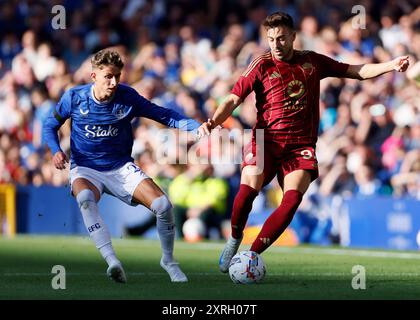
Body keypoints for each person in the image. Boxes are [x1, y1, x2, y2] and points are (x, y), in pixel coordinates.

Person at [196, 12, 410, 273]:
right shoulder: (260, 65)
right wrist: (214, 121)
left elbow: (356, 71)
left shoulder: (312, 62)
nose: (276, 44)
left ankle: (250, 256)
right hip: (265, 140)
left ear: (293, 37)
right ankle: (234, 237)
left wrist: (390, 64)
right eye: (271, 39)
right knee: (247, 191)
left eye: (282, 38)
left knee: (291, 200)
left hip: (300, 146)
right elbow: (232, 99)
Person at [43, 49, 202, 283]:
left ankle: (168, 261)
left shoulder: (128, 97)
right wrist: (56, 150)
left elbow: (162, 114)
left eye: (118, 75)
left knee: (163, 205)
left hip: (120, 167)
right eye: (108, 76)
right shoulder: (74, 98)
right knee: (85, 198)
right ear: (93, 75)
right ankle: (112, 261)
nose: (114, 81)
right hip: (86, 167)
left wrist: (195, 127)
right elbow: (49, 125)